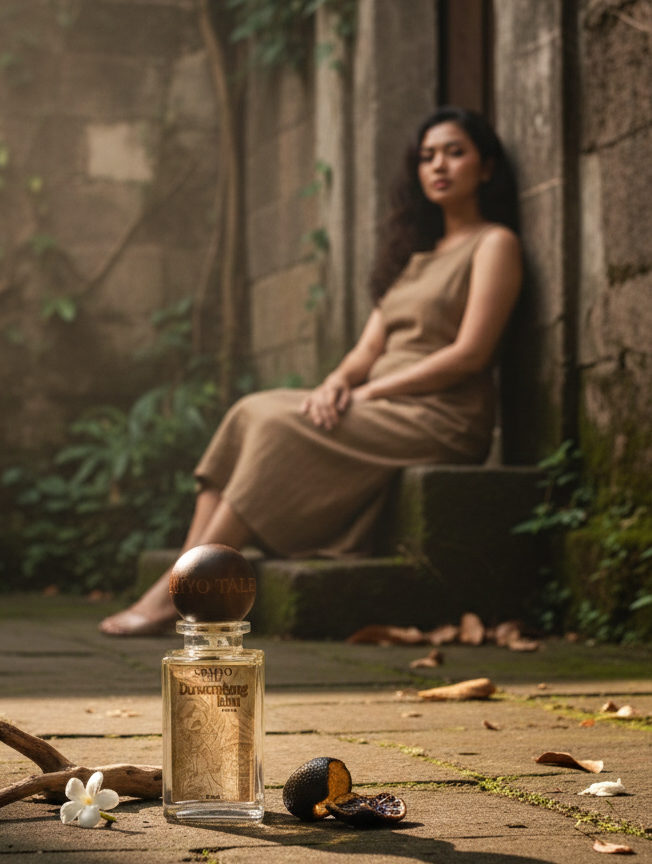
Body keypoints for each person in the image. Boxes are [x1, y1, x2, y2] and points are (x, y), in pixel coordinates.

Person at [100, 106, 523, 637]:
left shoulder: (494, 245)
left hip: (442, 415)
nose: (439, 165)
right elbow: (366, 350)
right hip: (381, 402)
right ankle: (186, 575)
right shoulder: (416, 258)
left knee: (279, 428)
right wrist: (336, 384)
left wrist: (371, 393)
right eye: (427, 156)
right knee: (250, 410)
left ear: (485, 167)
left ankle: (185, 592)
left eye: (455, 152)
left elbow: (471, 354)